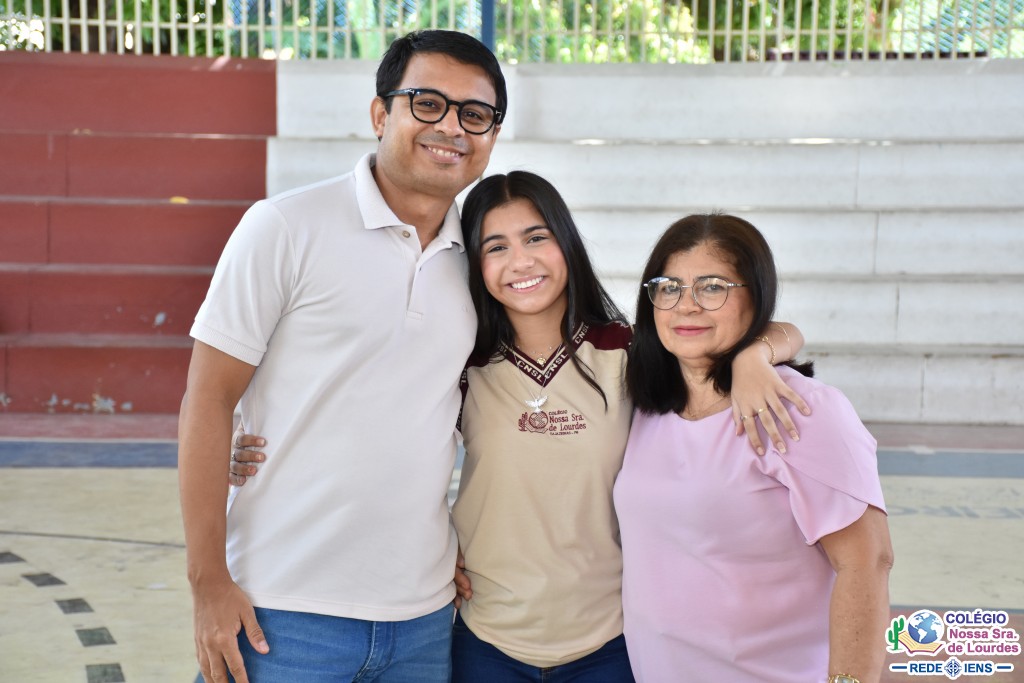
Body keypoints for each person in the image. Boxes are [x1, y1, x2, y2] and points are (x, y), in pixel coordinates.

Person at [232, 175, 810, 681]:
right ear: (475, 264)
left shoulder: (628, 351)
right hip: (487, 639)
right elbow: (369, 423)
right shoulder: (461, 361)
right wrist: (254, 441)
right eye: (496, 246)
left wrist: (755, 355)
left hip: (611, 641)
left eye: (537, 238)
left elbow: (762, 331)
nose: (521, 261)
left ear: (566, 244)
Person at [177, 30, 506, 683]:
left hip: (424, 618)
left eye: (475, 114)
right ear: (381, 113)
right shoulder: (284, 226)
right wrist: (208, 581)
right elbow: (208, 399)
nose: (452, 127)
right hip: (279, 612)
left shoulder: (483, 262)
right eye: (428, 103)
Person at [613, 213, 894, 683]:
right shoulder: (645, 406)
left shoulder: (801, 409)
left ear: (756, 296)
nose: (687, 306)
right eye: (669, 288)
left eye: (713, 287)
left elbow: (867, 562)